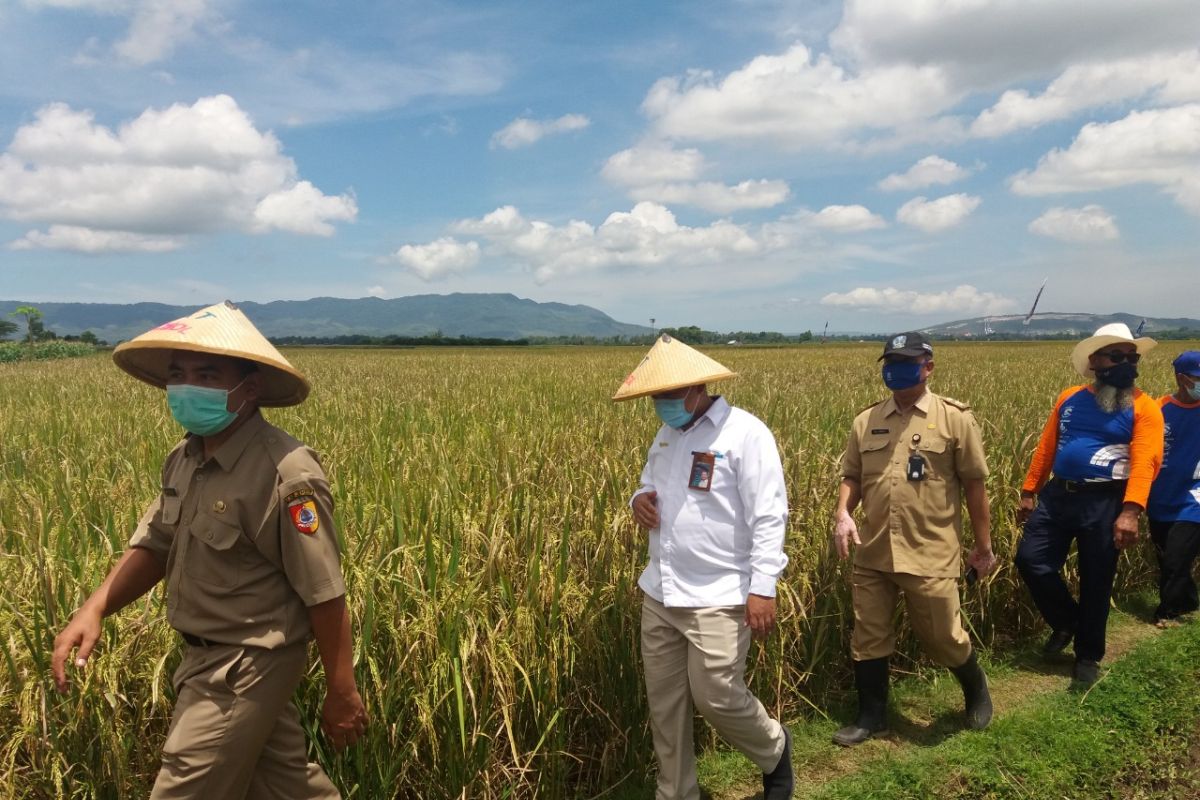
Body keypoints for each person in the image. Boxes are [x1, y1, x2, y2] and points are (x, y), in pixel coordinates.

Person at [51, 301, 366, 799]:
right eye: (179, 373)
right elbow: (156, 544)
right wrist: (95, 608)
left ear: (250, 387)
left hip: (245, 666)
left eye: (207, 373)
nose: (187, 386)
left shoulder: (286, 472)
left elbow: (324, 591)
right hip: (201, 658)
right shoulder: (186, 456)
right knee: (287, 786)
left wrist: (341, 690)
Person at [613, 334, 793, 800]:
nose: (661, 405)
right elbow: (648, 481)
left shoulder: (745, 434)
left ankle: (774, 747)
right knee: (665, 705)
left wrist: (764, 587)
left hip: (720, 596)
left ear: (697, 388)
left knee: (717, 696)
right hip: (660, 591)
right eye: (655, 397)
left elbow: (769, 514)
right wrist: (639, 500)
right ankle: (676, 793)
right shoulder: (667, 434)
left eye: (668, 395)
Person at [832, 331, 995, 746]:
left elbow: (975, 485)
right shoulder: (865, 421)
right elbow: (851, 475)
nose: (896, 370)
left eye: (906, 362)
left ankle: (976, 688)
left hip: (930, 549)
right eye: (890, 362)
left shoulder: (955, 418)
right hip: (873, 550)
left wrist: (983, 546)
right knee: (868, 635)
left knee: (943, 635)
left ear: (929, 367)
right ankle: (871, 716)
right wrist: (843, 514)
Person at [1015, 322, 1163, 687]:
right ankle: (1068, 622)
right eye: (1117, 356)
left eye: (1132, 357)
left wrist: (1130, 512)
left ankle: (1087, 656)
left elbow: (1146, 461)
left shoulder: (1145, 408)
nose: (1127, 363)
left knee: (1097, 579)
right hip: (1057, 496)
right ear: (1095, 361)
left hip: (1107, 501)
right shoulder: (1069, 398)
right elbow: (1048, 446)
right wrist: (1029, 490)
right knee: (1031, 560)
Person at [1146, 351, 1200, 624]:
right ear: (1182, 379)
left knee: (1176, 556)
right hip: (1160, 498)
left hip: (1194, 498)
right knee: (1167, 556)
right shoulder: (1158, 409)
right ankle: (1189, 600)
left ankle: (1167, 611)